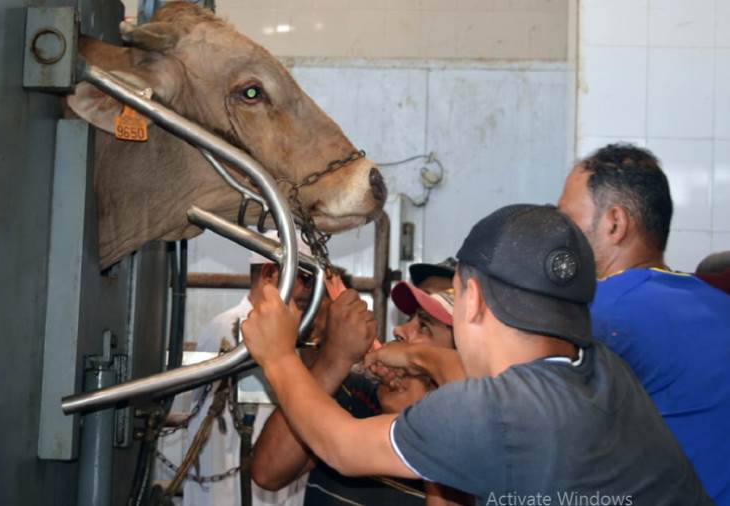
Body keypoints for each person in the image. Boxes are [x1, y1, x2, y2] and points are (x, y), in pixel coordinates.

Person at [242, 204, 711, 505]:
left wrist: (279, 356)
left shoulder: (485, 414)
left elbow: (342, 447)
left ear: (473, 300)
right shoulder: (604, 370)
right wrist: (418, 358)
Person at [558, 144, 730, 504]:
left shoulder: (600, 310)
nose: (559, 236)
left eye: (567, 221)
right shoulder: (715, 301)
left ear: (614, 223)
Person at [252, 281, 468, 505]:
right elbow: (267, 473)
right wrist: (334, 360)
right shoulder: (360, 391)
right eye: (409, 319)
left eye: (424, 326)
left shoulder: (471, 433)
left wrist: (417, 424)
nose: (399, 330)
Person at [176, 233, 315, 506]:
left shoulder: (285, 334)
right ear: (269, 274)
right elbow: (217, 439)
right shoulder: (226, 330)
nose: (309, 290)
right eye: (304, 278)